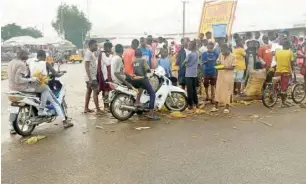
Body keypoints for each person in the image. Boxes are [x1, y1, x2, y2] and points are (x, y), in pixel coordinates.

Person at [28, 50, 73, 128]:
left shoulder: (31, 62)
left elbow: (29, 74)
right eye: (45, 57)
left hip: (32, 87)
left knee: (44, 99)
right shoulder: (46, 63)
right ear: (44, 57)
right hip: (43, 86)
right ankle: (64, 122)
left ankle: (42, 110)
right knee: (56, 103)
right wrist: (62, 73)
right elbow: (56, 74)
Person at [132, 48, 158, 120]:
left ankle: (137, 102)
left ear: (135, 55)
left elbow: (133, 71)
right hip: (142, 79)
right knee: (152, 93)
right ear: (141, 54)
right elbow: (148, 69)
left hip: (135, 80)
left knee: (140, 89)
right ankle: (151, 112)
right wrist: (149, 70)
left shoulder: (133, 62)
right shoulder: (143, 61)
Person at [211, 44, 235, 114]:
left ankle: (227, 107)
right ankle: (216, 106)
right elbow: (218, 62)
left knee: (227, 91)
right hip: (220, 75)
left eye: (224, 51)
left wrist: (224, 67)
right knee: (218, 90)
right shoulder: (221, 54)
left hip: (228, 76)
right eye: (222, 51)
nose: (223, 53)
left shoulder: (233, 56)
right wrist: (218, 65)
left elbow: (233, 67)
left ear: (227, 49)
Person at [84, 39, 104, 115]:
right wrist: (90, 79)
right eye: (95, 45)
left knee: (89, 91)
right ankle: (98, 109)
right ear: (90, 45)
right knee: (96, 91)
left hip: (91, 76)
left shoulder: (91, 53)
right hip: (91, 77)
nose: (97, 47)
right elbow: (86, 66)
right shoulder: (88, 54)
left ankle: (86, 108)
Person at [275, 40, 294, 108]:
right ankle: (283, 103)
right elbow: (291, 63)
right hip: (286, 72)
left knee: (277, 86)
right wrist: (292, 72)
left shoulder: (277, 52)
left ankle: (276, 98)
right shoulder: (290, 52)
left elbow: (276, 60)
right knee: (284, 88)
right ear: (288, 45)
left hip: (277, 71)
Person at [97, 41, 113, 107]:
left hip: (108, 75)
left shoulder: (107, 54)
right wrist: (111, 55)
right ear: (105, 47)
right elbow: (108, 63)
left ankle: (106, 105)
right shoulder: (103, 54)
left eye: (110, 47)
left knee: (107, 90)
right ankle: (106, 105)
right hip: (104, 75)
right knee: (105, 90)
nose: (109, 49)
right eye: (108, 47)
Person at [184, 40, 199, 110]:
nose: (188, 46)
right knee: (194, 89)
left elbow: (185, 63)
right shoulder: (196, 53)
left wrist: (185, 64)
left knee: (189, 90)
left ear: (192, 46)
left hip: (189, 74)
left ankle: (190, 104)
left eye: (189, 45)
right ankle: (196, 103)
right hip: (194, 74)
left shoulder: (189, 54)